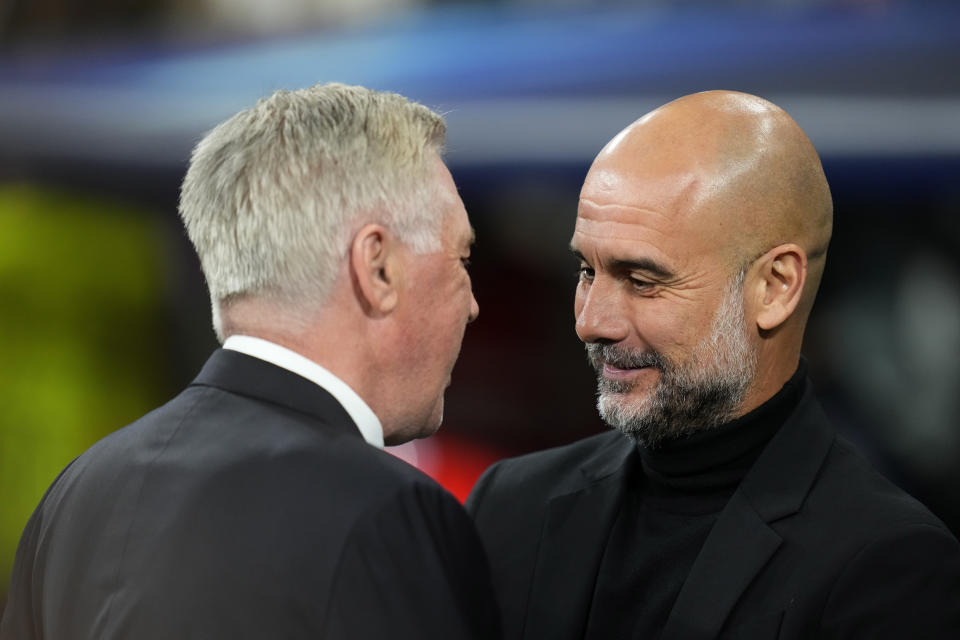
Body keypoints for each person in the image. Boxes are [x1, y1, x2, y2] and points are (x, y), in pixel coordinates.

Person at [1, 83, 499, 639]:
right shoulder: (392, 515)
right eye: (462, 258)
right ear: (377, 267)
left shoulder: (76, 497)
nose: (474, 304)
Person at [466, 90, 960, 639]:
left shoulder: (885, 564)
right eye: (587, 271)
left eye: (642, 280)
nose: (591, 322)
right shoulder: (511, 506)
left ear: (774, 288)